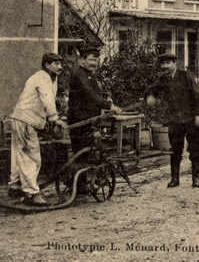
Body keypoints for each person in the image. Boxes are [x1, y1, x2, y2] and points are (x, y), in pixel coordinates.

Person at [7, 53, 67, 206]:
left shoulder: (46, 78)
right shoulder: (43, 78)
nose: (60, 67)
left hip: (19, 118)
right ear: (47, 65)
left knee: (18, 155)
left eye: (60, 64)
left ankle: (15, 185)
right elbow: (46, 98)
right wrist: (54, 118)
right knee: (32, 157)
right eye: (56, 64)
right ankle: (32, 193)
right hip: (26, 120)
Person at [147, 53, 199, 188]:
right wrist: (150, 96)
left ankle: (196, 178)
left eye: (168, 63)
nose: (165, 66)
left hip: (191, 118)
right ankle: (175, 178)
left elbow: (197, 96)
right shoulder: (163, 79)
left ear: (175, 63)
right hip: (174, 120)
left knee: (194, 148)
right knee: (175, 149)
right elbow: (153, 90)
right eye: (163, 64)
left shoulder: (186, 76)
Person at [67, 46, 122, 160]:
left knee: (89, 153)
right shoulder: (79, 75)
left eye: (96, 60)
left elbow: (97, 92)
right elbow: (90, 94)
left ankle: (88, 176)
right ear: (82, 60)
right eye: (91, 60)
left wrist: (106, 98)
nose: (95, 63)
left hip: (89, 120)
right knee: (81, 154)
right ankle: (79, 177)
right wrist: (110, 106)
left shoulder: (89, 75)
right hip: (80, 121)